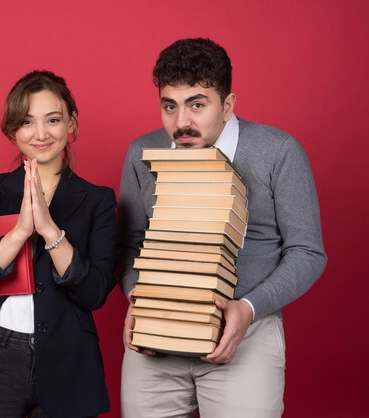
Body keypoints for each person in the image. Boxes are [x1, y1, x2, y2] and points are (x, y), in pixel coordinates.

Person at [117, 38, 327, 417]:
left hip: (247, 335)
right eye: (170, 106)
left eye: (197, 105)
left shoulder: (278, 151)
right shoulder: (141, 153)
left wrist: (248, 308)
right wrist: (136, 296)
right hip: (156, 334)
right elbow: (130, 241)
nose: (182, 122)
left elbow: (307, 252)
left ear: (227, 105)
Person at [0, 70, 117, 417]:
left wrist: (50, 231)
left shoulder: (99, 201)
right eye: (27, 122)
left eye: (53, 119)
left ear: (72, 124)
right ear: (13, 131)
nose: (41, 133)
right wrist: (18, 233)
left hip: (68, 361)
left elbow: (94, 293)